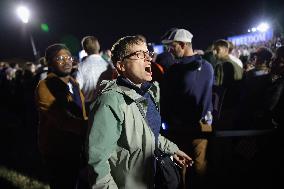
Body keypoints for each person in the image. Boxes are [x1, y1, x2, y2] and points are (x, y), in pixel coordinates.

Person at [87, 36, 192, 189]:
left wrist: (172, 149)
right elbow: (97, 159)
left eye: (147, 53)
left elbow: (150, 134)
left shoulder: (147, 93)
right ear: (121, 66)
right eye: (139, 55)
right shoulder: (111, 101)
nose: (148, 58)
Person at [160, 28, 214, 188]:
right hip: (202, 126)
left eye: (172, 46)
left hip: (180, 128)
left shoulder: (174, 71)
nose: (169, 50)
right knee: (199, 168)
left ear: (183, 45)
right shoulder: (208, 67)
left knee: (182, 168)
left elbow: (167, 100)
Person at [35, 43, 88, 189]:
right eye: (60, 58)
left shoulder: (74, 83)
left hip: (77, 147)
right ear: (49, 63)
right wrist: (91, 127)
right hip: (57, 150)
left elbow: (81, 112)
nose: (66, 61)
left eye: (68, 57)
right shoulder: (45, 86)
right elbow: (62, 120)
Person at [76, 36, 114, 115]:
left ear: (84, 49)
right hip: (108, 104)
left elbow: (77, 87)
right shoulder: (108, 65)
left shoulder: (81, 66)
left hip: (90, 107)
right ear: (98, 46)